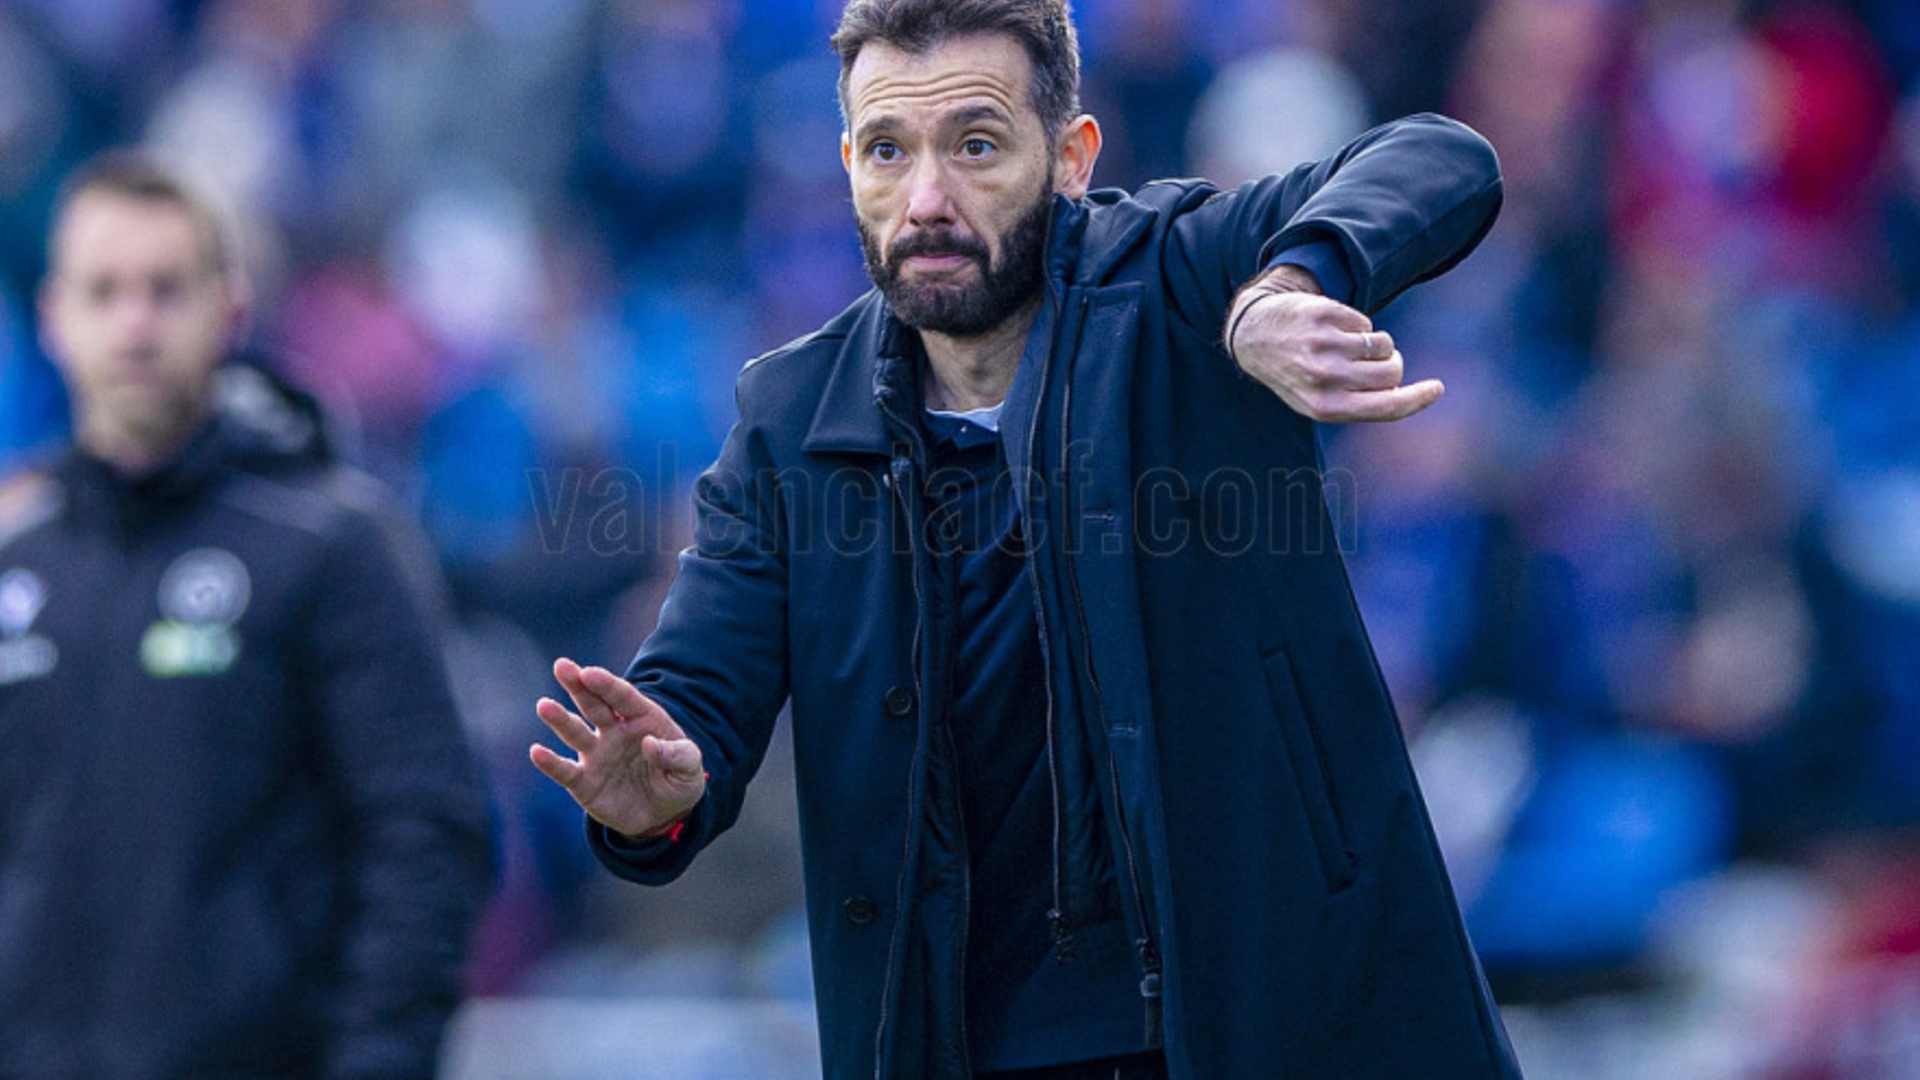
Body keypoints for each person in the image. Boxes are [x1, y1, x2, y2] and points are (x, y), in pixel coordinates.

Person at [530, 1, 1519, 1077]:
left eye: (977, 145)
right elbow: (693, 701)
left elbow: (1441, 157)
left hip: (1268, 1022)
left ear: (1072, 158)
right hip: (960, 1044)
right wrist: (656, 799)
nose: (926, 200)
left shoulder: (1187, 282)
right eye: (886, 151)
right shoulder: (789, 420)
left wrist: (1287, 285)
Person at [0, 152, 495, 1079]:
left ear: (229, 310)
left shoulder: (332, 543)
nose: (135, 323)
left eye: (164, 290)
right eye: (104, 292)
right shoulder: (17, 567)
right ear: (52, 320)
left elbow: (424, 840)